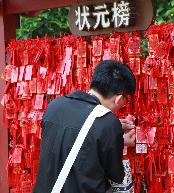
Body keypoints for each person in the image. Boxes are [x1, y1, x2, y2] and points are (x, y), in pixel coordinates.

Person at [33, 60, 136, 193]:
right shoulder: (109, 123)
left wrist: (112, 132)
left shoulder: (55, 105)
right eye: (126, 100)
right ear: (119, 98)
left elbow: (68, 138)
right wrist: (118, 140)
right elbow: (116, 175)